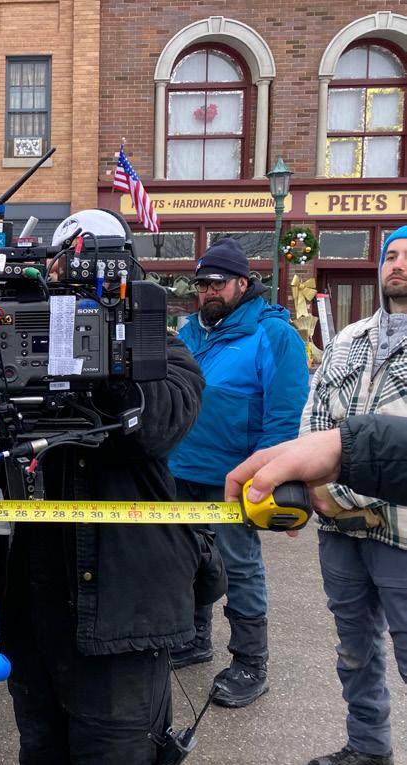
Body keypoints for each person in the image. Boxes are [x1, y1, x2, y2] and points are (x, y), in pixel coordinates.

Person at [0, 336, 214, 764]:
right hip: (31, 614)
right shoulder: (3, 344)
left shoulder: (156, 345)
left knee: (117, 752)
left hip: (122, 621)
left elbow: (161, 425)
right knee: (40, 749)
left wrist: (103, 348)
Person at [167, 238, 309, 708]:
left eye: (218, 282)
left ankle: (251, 661)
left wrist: (267, 476)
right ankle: (193, 637)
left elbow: (283, 417)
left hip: (235, 478)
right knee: (187, 558)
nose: (208, 291)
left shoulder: (274, 335)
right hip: (180, 469)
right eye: (201, 283)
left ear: (243, 284)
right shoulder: (190, 332)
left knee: (239, 566)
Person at [295, 227, 407, 765]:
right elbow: (314, 415)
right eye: (391, 255)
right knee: (354, 649)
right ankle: (368, 748)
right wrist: (319, 491)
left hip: (400, 529)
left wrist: (337, 487)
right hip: (337, 527)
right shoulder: (348, 338)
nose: (398, 264)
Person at [225, 414, 407, 509]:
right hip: (332, 521)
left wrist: (341, 447)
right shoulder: (336, 352)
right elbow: (313, 418)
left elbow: (284, 411)